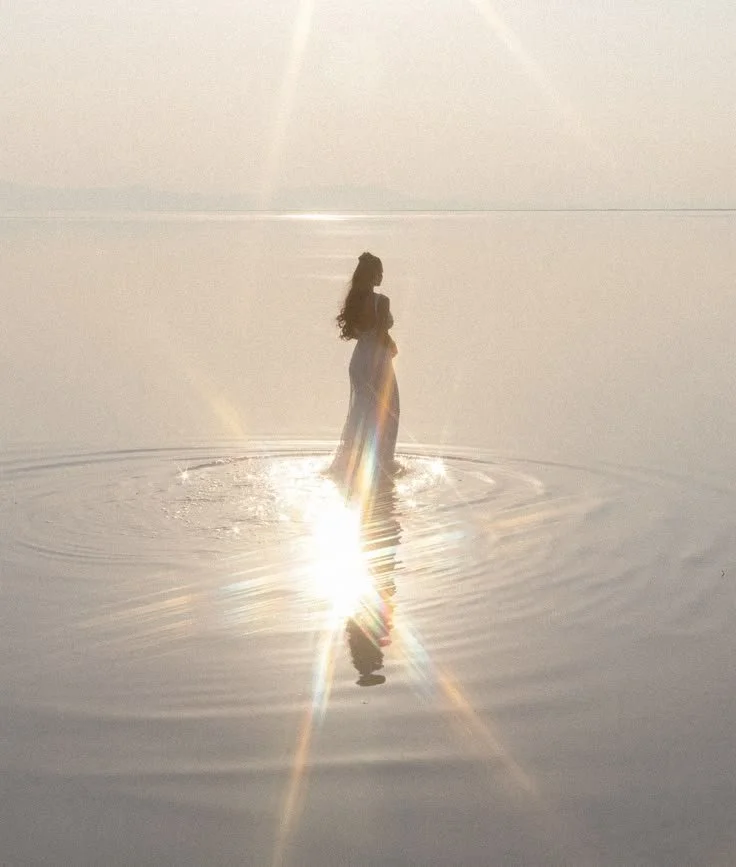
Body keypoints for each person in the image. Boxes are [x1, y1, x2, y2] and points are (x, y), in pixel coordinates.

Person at [330, 252, 400, 493]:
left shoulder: (355, 301)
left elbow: (359, 332)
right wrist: (391, 345)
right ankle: (380, 463)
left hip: (359, 360)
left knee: (362, 411)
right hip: (377, 361)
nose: (382, 276)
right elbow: (381, 332)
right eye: (380, 271)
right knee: (388, 410)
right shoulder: (382, 301)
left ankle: (355, 461)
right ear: (374, 274)